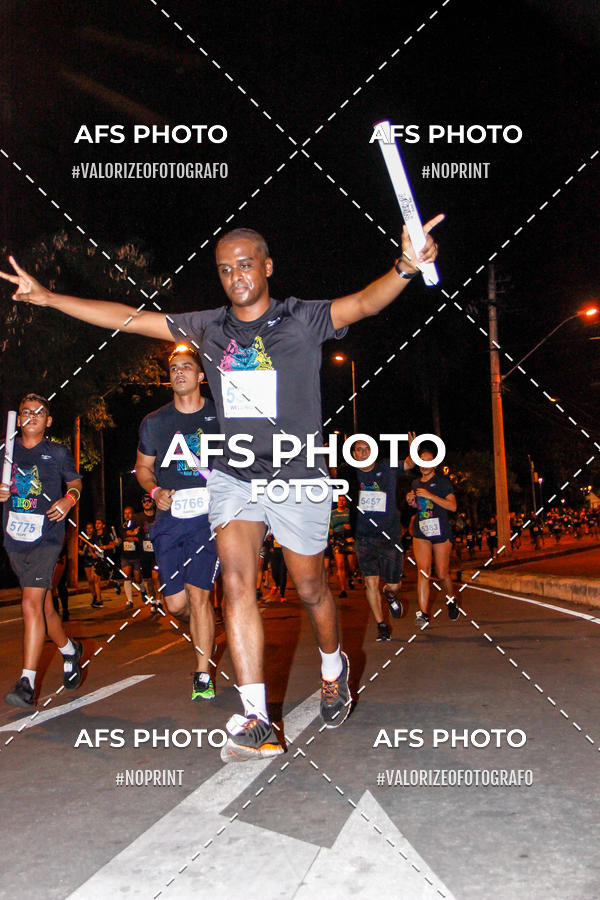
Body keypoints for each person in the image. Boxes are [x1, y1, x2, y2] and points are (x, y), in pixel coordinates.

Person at [1, 216, 442, 758]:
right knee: (237, 580)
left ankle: (333, 664)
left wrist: (405, 265)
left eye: (246, 264)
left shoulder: (301, 319)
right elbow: (130, 319)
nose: (236, 275)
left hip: (296, 473)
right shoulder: (209, 328)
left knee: (310, 587)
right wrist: (48, 298)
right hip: (234, 477)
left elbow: (365, 303)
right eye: (225, 268)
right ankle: (257, 716)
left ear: (267, 267)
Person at [135, 345, 220, 701]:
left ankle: (202, 675)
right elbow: (143, 468)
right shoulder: (155, 422)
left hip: (208, 518)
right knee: (175, 604)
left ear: (201, 376)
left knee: (200, 596)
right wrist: (154, 491)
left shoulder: (222, 417)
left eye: (187, 367)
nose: (179, 373)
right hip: (169, 520)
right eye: (174, 369)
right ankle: (207, 628)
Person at [0, 393, 83, 707]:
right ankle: (69, 650)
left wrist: (68, 499)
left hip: (47, 538)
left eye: (38, 412)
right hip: (14, 539)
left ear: (48, 421)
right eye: (25, 411)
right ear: (18, 418)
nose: (31, 415)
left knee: (30, 604)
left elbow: (75, 482)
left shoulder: (57, 453)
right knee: (44, 607)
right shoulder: (6, 452)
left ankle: (27, 683)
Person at [352, 437, 415, 641]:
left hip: (389, 535)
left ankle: (390, 594)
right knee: (370, 583)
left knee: (394, 584)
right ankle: (381, 625)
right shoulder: (351, 475)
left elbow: (408, 463)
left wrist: (413, 449)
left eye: (366, 448)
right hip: (364, 537)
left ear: (373, 451)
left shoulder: (387, 467)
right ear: (354, 454)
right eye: (358, 449)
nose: (363, 452)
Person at [407, 448, 458, 627]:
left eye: (429, 461)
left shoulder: (443, 483)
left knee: (442, 573)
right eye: (422, 460)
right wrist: (412, 501)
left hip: (441, 532)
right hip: (421, 531)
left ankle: (451, 600)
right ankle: (423, 614)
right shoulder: (415, 483)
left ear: (434, 464)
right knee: (423, 571)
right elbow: (420, 507)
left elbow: (452, 507)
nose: (424, 464)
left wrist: (431, 495)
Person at [139, 494, 163, 614]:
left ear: (153, 502)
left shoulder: (158, 515)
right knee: (148, 579)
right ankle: (153, 601)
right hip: (144, 554)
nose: (146, 503)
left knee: (156, 577)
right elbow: (128, 531)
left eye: (149, 501)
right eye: (144, 501)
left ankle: (159, 601)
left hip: (157, 553)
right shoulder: (138, 518)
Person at [119, 505, 143, 610]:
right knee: (126, 575)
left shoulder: (138, 525)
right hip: (125, 556)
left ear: (133, 514)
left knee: (137, 578)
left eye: (129, 513)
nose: (127, 515)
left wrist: (134, 537)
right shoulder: (122, 526)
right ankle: (129, 601)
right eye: (125, 513)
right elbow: (122, 537)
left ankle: (143, 590)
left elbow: (140, 538)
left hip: (136, 555)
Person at [79, 522, 103, 608]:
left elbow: (97, 548)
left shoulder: (95, 537)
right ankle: (94, 596)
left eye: (91, 528)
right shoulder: (83, 538)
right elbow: (80, 549)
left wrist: (93, 551)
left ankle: (99, 598)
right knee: (90, 581)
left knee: (94, 579)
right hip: (86, 560)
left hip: (94, 561)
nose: (89, 530)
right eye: (87, 528)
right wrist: (81, 551)